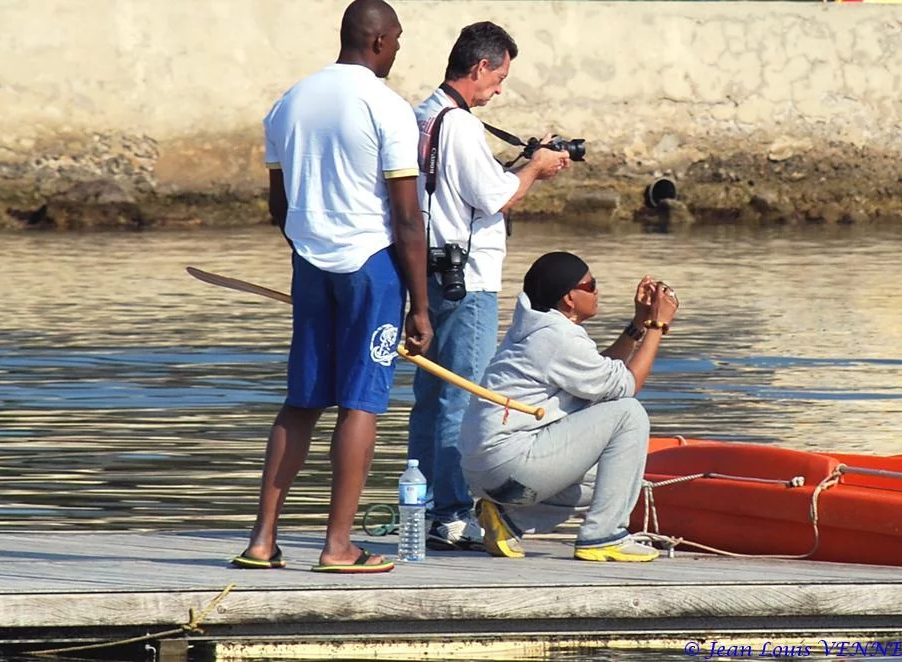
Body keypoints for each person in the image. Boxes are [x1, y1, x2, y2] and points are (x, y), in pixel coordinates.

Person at [233, 0, 432, 574]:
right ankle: (338, 546)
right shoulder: (386, 107)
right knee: (360, 404)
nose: (396, 51)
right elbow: (407, 220)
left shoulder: (288, 102)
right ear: (377, 41)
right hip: (372, 270)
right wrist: (420, 307)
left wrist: (308, 252)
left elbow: (279, 204)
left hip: (311, 265)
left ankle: (262, 541)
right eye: (396, 41)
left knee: (301, 401)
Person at [406, 22, 571, 550]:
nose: (500, 88)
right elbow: (495, 197)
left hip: (428, 274)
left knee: (430, 399)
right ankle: (453, 512)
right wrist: (537, 169)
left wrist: (523, 162)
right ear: (480, 68)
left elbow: (465, 187)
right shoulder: (458, 125)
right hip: (467, 281)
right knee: (465, 398)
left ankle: (427, 504)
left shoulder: (423, 115)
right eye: (500, 76)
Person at [459, 251, 679, 562]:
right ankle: (603, 536)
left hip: (492, 470)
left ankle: (508, 519)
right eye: (591, 285)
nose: (598, 290)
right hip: (511, 462)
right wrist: (657, 326)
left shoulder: (542, 329)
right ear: (569, 299)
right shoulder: (556, 337)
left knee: (611, 475)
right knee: (629, 413)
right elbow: (627, 385)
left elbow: (599, 377)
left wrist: (638, 325)